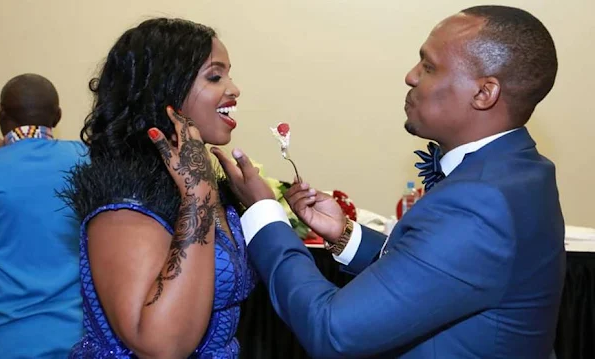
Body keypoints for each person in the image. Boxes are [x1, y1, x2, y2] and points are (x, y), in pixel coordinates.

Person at [212, 5, 564, 358]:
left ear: (484, 93)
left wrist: (263, 212)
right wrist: (346, 234)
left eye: (428, 67)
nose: (411, 76)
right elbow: (439, 274)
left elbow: (333, 331)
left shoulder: (481, 200)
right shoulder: (521, 169)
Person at [60, 18, 254, 358]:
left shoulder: (207, 185)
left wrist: (259, 206)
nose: (234, 88)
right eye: (214, 76)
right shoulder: (126, 199)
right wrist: (198, 198)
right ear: (166, 90)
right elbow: (161, 346)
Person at [0, 73, 84, 358]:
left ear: (1, 113)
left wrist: (0, 151)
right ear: (58, 116)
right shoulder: (86, 159)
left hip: (0, 344)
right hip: (77, 343)